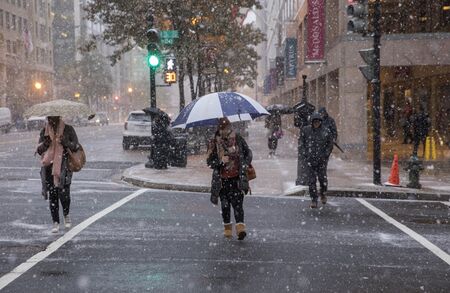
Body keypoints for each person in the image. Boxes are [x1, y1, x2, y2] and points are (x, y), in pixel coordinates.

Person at [207, 117, 252, 240]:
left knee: (238, 205)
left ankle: (240, 229)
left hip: (237, 178)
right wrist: (221, 161)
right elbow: (210, 162)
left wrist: (244, 164)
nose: (225, 131)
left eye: (227, 128)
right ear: (219, 129)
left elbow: (248, 153)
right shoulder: (214, 142)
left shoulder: (237, 139)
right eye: (223, 129)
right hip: (222, 181)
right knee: (225, 206)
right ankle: (227, 229)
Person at [36, 116, 79, 233]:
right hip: (49, 167)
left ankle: (66, 214)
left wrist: (65, 142)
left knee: (65, 194)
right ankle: (55, 222)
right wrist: (45, 143)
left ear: (58, 118)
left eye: (53, 119)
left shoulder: (68, 129)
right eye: (49, 119)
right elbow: (38, 150)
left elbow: (76, 146)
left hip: (64, 166)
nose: (51, 121)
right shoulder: (44, 132)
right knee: (53, 195)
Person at [299, 112, 333, 208]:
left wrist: (325, 155)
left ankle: (323, 193)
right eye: (315, 122)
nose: (316, 123)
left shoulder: (326, 131)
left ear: (320, 122)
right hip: (310, 160)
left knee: (323, 179)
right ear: (312, 122)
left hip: (322, 160)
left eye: (318, 121)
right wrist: (305, 154)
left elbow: (330, 144)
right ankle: (314, 199)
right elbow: (301, 143)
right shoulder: (306, 130)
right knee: (311, 181)